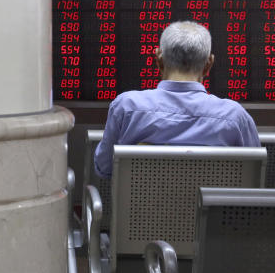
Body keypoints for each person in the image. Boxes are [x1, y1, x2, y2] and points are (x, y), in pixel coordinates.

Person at [94, 20, 260, 178]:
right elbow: (253, 178)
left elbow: (104, 168)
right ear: (209, 64)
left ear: (159, 59)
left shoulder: (126, 107)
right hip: (214, 209)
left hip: (140, 207)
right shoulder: (236, 118)